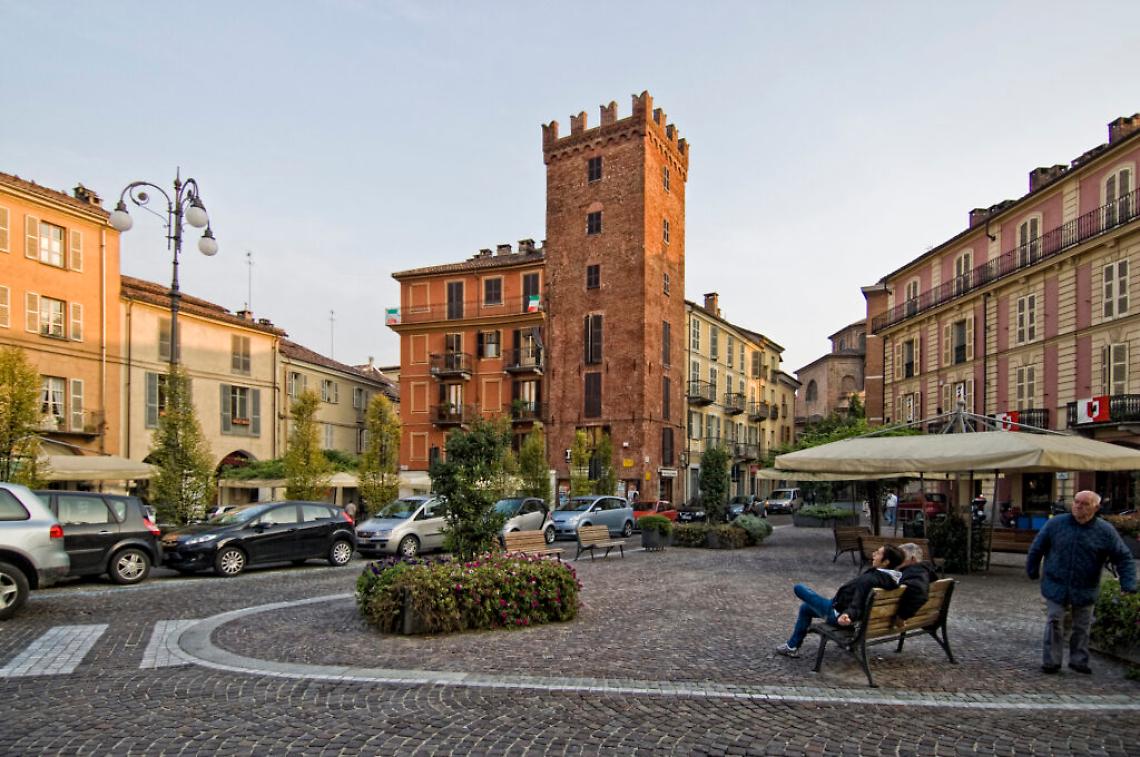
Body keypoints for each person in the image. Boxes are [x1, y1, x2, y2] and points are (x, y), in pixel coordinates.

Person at [1026, 490, 1136, 675]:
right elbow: (1038, 547)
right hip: (1056, 581)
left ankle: (1079, 660)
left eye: (1085, 503)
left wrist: (1128, 584)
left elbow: (1123, 557)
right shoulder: (1056, 524)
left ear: (1096, 507)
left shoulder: (1104, 531)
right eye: (1076, 502)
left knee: (1082, 625)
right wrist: (1032, 570)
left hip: (1086, 585)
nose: (1078, 506)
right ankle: (1051, 661)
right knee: (1054, 620)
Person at [776, 544, 906, 657]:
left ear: (886, 562)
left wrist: (847, 615)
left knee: (799, 588)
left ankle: (792, 647)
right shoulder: (893, 580)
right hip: (855, 618)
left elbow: (858, 602)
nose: (873, 554)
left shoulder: (871, 579)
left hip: (837, 614)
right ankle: (792, 646)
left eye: (878, 553)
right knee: (805, 608)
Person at [896, 542, 938, 621]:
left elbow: (919, 591)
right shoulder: (925, 571)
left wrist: (901, 616)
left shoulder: (915, 572)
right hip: (924, 616)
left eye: (901, 557)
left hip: (902, 619)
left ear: (913, 559)